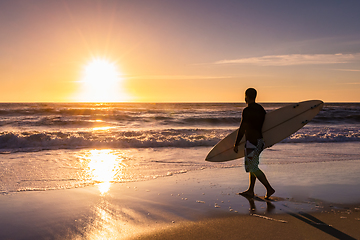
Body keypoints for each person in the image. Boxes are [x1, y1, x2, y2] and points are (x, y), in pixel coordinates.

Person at [234, 88, 275, 199]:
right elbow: (266, 126)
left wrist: (236, 143)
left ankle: (269, 188)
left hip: (252, 142)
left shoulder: (247, 110)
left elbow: (242, 128)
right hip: (259, 141)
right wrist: (270, 140)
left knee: (253, 167)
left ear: (246, 96)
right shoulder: (261, 109)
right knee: (253, 166)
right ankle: (251, 190)